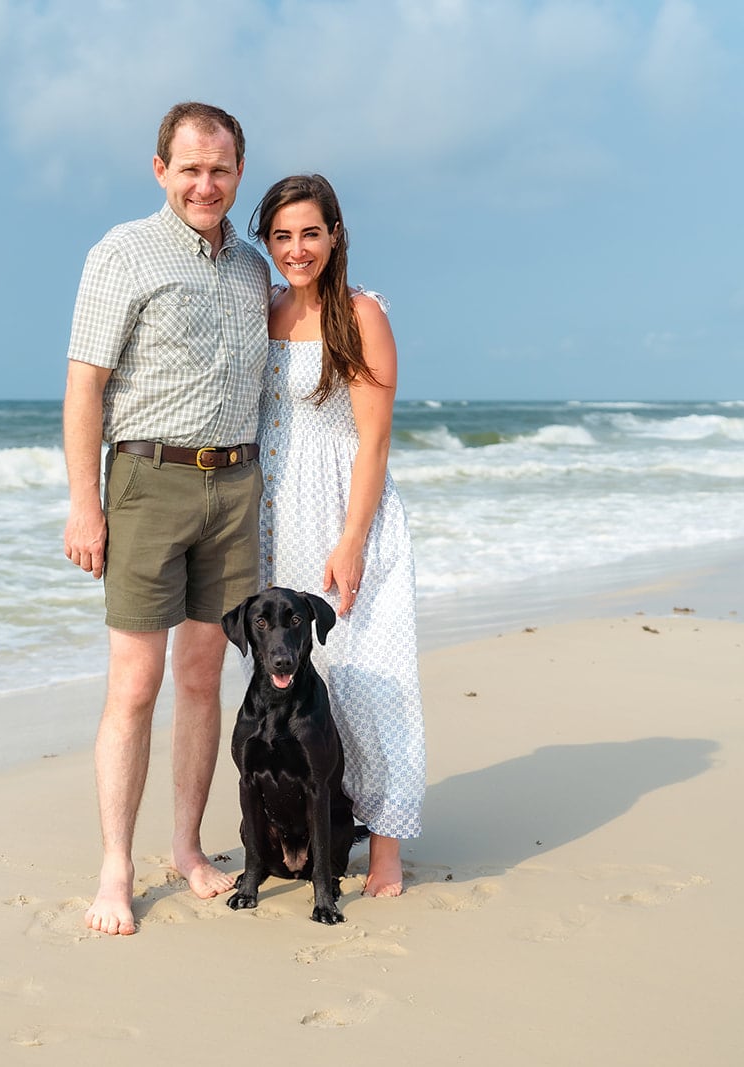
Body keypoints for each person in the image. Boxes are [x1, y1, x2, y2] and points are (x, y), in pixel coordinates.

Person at [62, 102, 271, 935]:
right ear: (161, 171)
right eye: (189, 168)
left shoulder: (254, 269)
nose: (205, 183)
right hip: (148, 482)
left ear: (238, 173)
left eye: (219, 169)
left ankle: (187, 847)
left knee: (201, 678)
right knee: (136, 683)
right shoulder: (122, 252)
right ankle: (116, 864)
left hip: (237, 486)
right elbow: (84, 385)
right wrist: (86, 502)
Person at [248, 174, 426, 897]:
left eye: (310, 233)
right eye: (283, 235)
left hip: (352, 516)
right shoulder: (264, 312)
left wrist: (352, 539)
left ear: (335, 235)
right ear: (267, 241)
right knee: (297, 686)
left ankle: (386, 846)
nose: (297, 248)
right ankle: (307, 829)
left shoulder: (361, 314)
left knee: (373, 684)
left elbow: (375, 442)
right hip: (279, 519)